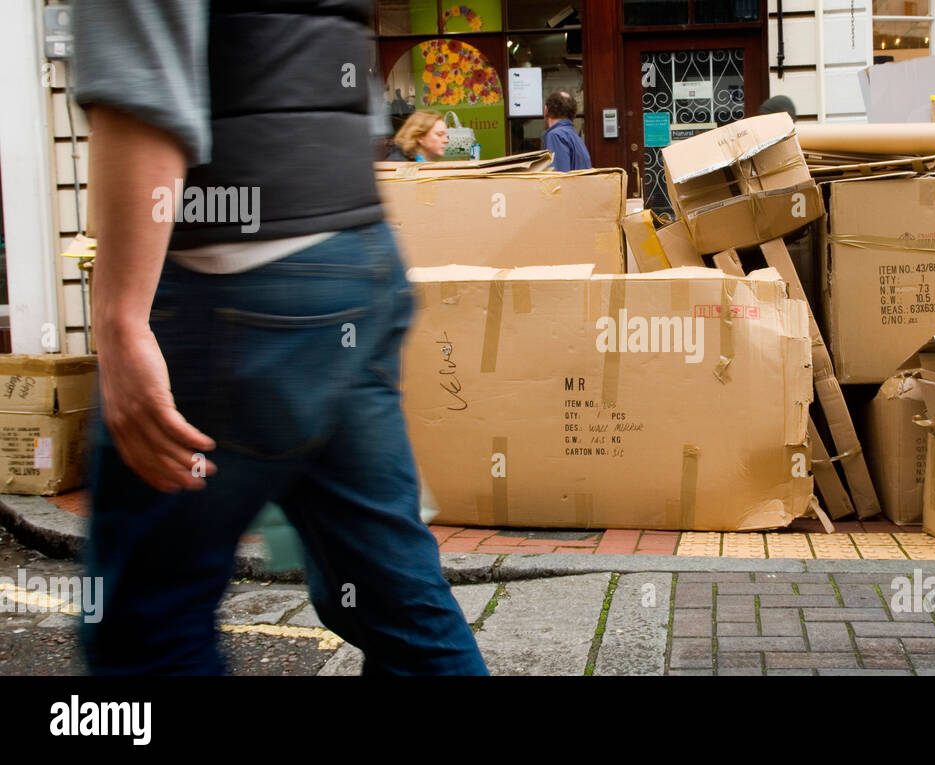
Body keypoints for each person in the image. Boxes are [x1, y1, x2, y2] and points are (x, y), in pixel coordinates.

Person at [71, 0, 488, 675]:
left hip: (232, 282)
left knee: (144, 628)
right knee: (395, 600)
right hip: (357, 262)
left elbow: (143, 81)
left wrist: (122, 317)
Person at [542, 91, 592, 172]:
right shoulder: (574, 136)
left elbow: (558, 178)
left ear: (546, 110)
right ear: (574, 114)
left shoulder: (555, 136)